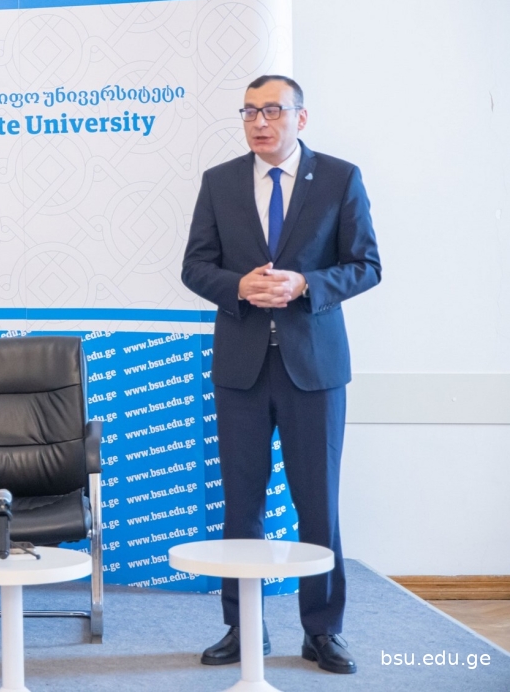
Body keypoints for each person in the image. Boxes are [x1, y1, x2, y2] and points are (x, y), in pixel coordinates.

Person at [181, 75, 381, 675]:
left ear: (301, 117)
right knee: (241, 506)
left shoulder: (340, 178)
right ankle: (243, 628)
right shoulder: (219, 182)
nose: (260, 122)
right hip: (241, 369)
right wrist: (237, 286)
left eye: (272, 110)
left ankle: (322, 631)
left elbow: (366, 265)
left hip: (313, 369)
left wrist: (306, 284)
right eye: (249, 112)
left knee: (318, 505)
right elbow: (195, 266)